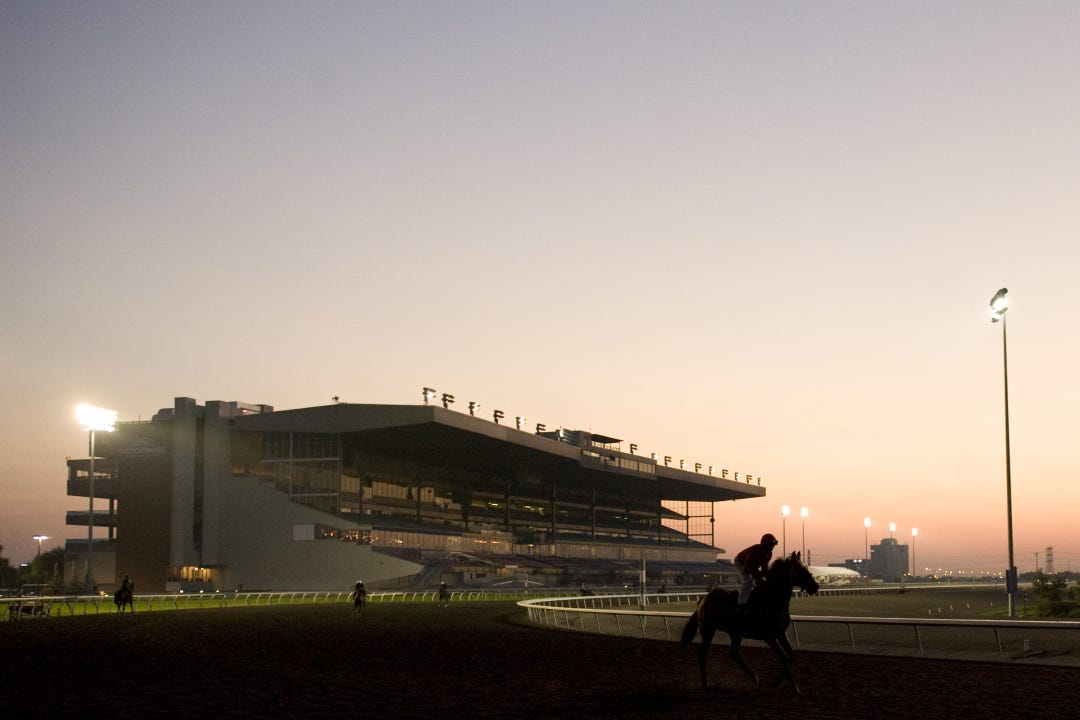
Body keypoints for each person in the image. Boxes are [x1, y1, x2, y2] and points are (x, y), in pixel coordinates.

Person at [734, 533, 779, 611]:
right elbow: (747, 569)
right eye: (771, 544)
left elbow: (764, 568)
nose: (773, 546)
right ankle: (741, 604)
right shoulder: (755, 551)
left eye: (773, 545)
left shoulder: (769, 553)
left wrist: (767, 576)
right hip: (740, 562)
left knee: (762, 582)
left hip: (752, 566)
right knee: (747, 581)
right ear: (766, 544)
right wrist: (759, 576)